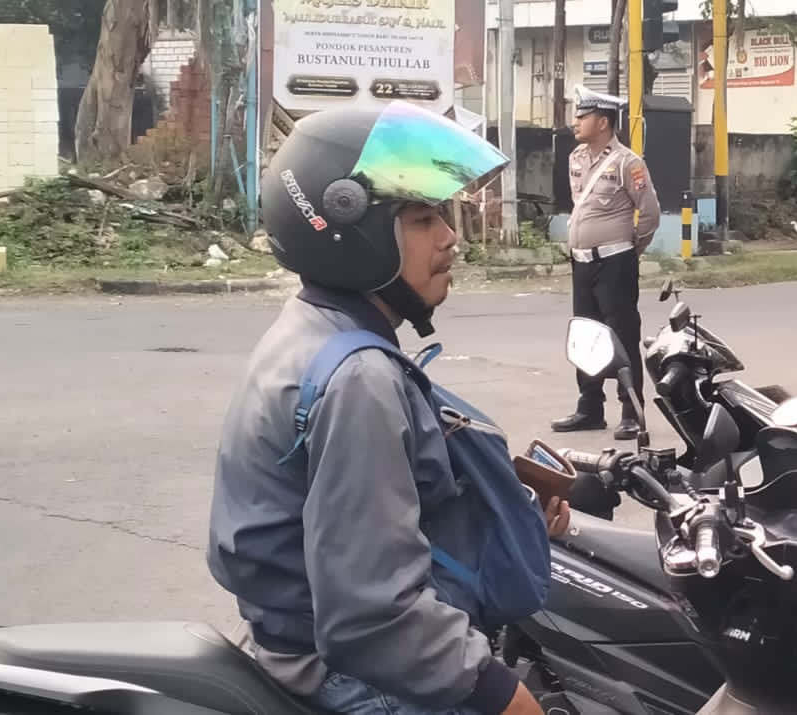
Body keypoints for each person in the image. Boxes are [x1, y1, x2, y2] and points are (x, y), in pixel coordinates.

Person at [207, 103, 554, 715]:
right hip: (355, 678)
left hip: (299, 643)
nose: (449, 237)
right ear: (352, 235)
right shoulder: (358, 377)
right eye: (423, 219)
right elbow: (373, 615)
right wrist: (504, 697)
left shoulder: (312, 329)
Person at [551, 86, 662, 440]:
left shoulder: (629, 163)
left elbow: (649, 214)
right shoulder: (576, 159)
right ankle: (590, 407)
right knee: (586, 336)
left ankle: (632, 410)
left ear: (602, 121)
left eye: (582, 117)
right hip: (582, 262)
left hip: (615, 262)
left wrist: (631, 250)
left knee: (623, 335)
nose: (576, 123)